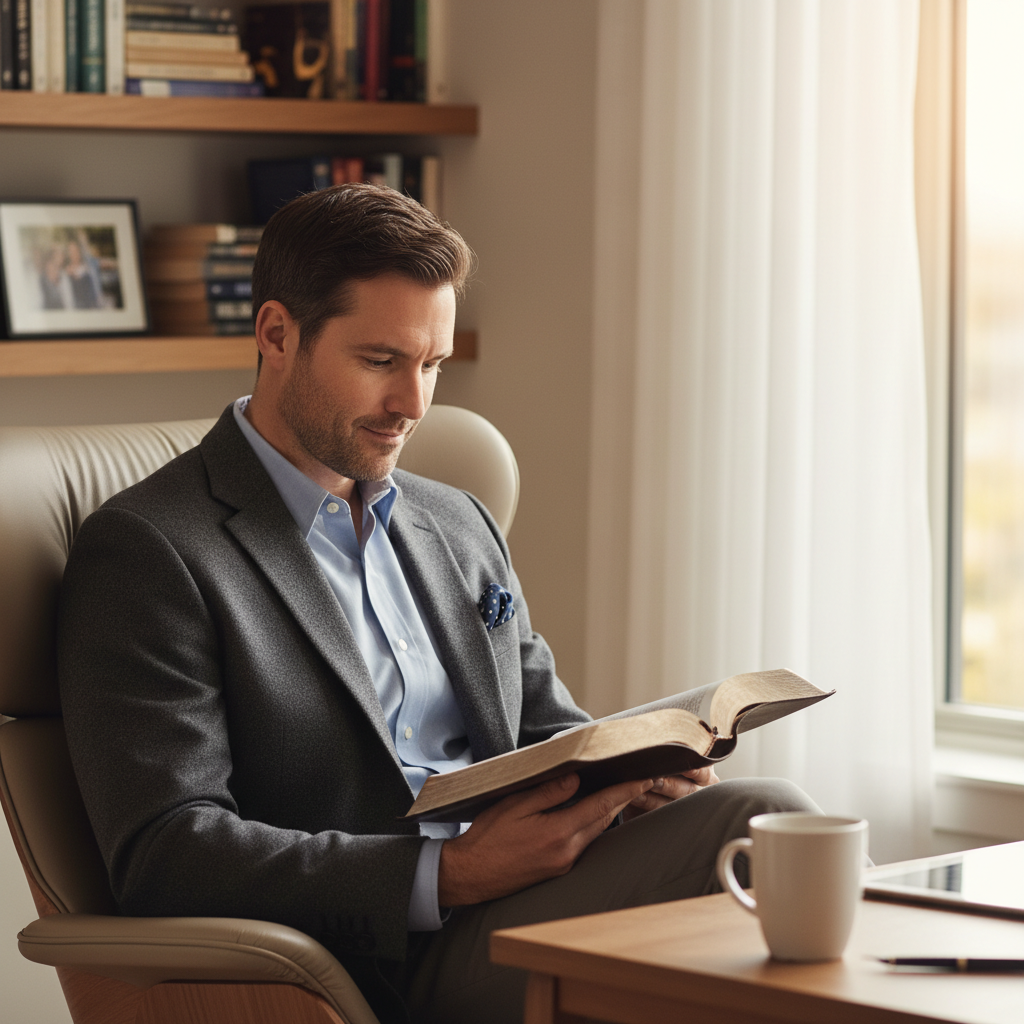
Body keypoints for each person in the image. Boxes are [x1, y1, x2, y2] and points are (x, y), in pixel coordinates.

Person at [58, 183, 819, 1024]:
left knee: (757, 840)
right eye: (381, 362)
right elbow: (167, 852)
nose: (414, 406)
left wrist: (630, 778)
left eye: (431, 365)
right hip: (367, 957)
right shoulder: (152, 549)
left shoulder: (455, 520)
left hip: (537, 892)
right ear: (276, 334)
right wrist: (446, 876)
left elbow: (546, 729)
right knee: (767, 821)